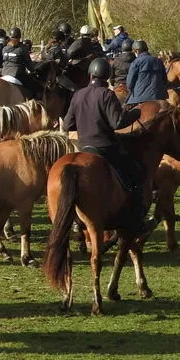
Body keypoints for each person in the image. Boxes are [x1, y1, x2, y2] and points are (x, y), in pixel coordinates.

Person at [63, 57, 150, 233]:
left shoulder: (78, 94)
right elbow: (116, 123)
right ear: (107, 77)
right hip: (105, 147)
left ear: (90, 75)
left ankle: (74, 220)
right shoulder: (106, 94)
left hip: (84, 146)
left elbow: (67, 125)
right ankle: (136, 220)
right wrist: (135, 113)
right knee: (136, 174)